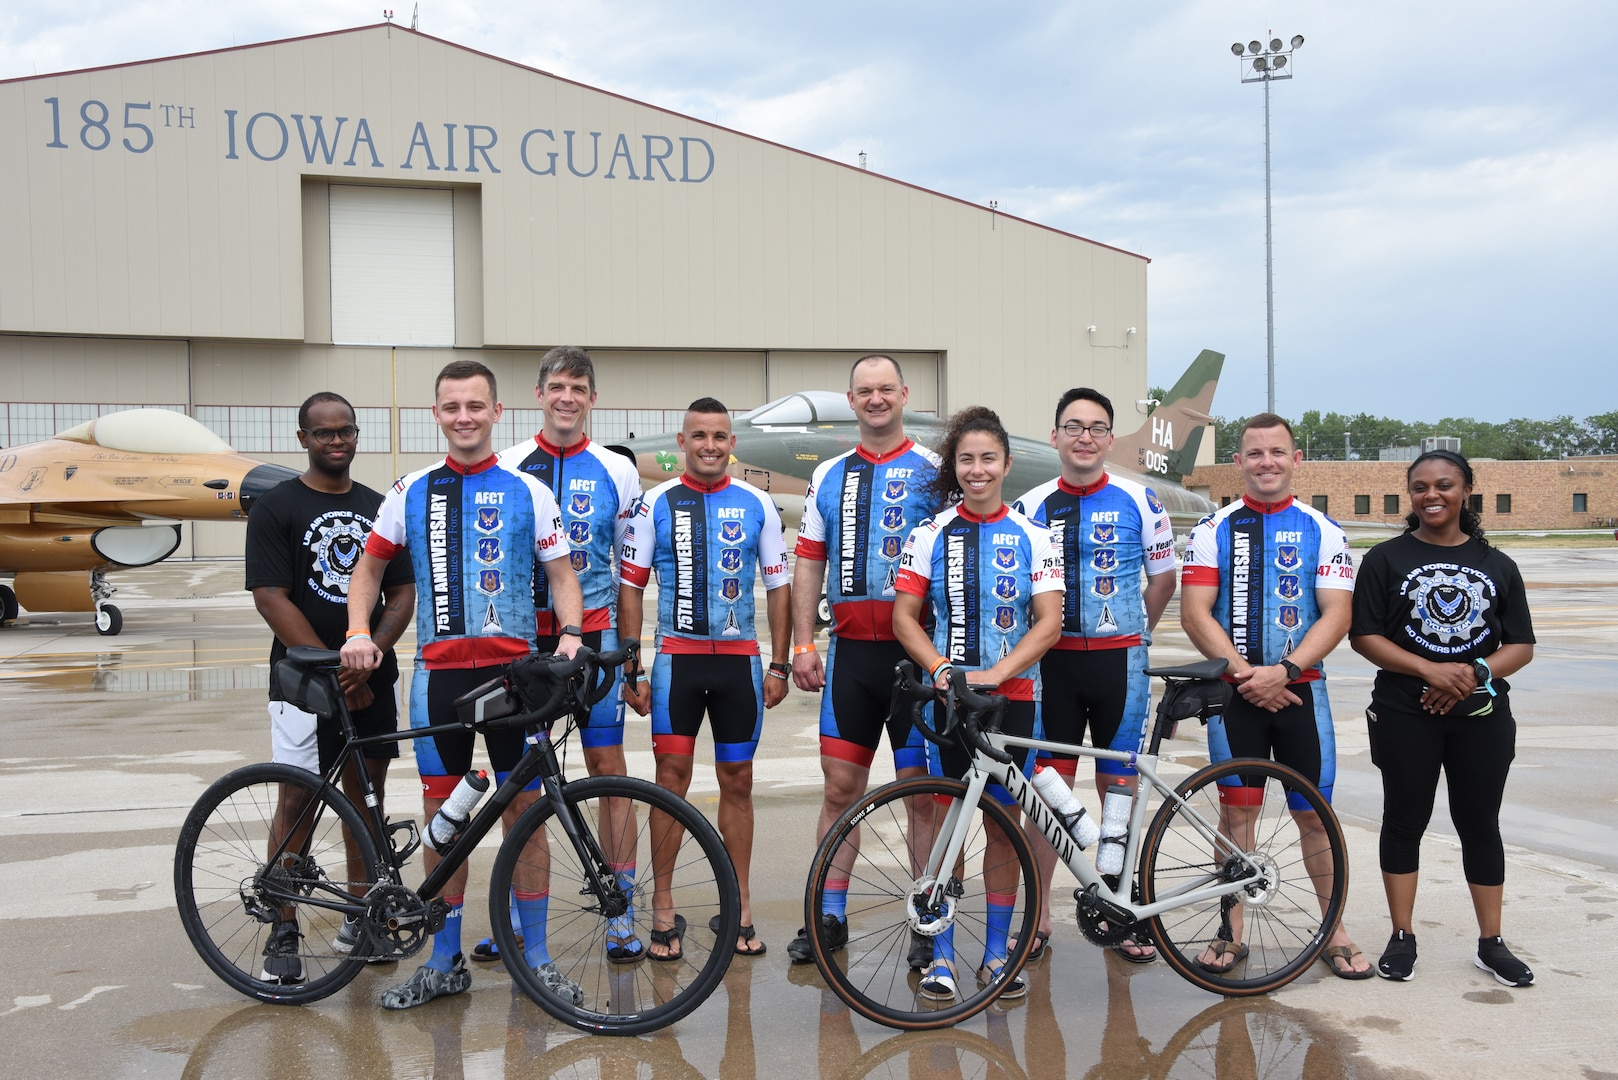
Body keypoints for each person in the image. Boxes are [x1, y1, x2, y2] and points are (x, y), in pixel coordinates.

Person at [341, 359, 587, 1008]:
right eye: (452, 407)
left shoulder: (528, 490)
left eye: (476, 406)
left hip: (514, 679)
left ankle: (533, 958)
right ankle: (445, 959)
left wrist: (570, 634)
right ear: (437, 415)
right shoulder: (409, 490)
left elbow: (563, 574)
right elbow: (367, 571)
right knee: (441, 823)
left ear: (497, 413)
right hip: (439, 678)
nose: (464, 417)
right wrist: (358, 631)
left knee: (526, 817)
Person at [1179, 413, 1372, 978]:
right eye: (1255, 453)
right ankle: (1230, 930)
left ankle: (1333, 929)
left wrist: (1283, 670)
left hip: (1300, 693)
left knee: (1314, 817)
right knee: (1238, 821)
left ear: (1296, 459)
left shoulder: (1324, 529)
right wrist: (1248, 676)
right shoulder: (1213, 527)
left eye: (1276, 452)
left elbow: (1338, 612)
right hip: (1237, 695)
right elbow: (1195, 612)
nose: (1266, 461)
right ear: (1238, 462)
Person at [892, 405, 1064, 1002]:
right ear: (954, 467)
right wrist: (943, 669)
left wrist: (995, 674)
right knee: (948, 826)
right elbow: (904, 619)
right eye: (966, 459)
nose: (977, 469)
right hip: (952, 703)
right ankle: (942, 957)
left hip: (1013, 702)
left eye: (988, 458)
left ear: (1007, 464)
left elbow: (1048, 624)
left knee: (1001, 823)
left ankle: (996, 957)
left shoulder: (1035, 537)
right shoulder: (928, 534)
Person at [244, 392, 415, 982]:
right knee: (297, 800)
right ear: (303, 439)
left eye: (345, 431)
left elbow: (401, 592)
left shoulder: (379, 506)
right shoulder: (277, 508)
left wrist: (368, 660)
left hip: (372, 676)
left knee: (366, 800)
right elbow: (271, 595)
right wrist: (330, 669)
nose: (336, 441)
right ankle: (284, 927)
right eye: (323, 433)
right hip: (303, 681)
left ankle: (362, 917)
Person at [1349, 449, 1536, 986]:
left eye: (1445, 485)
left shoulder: (1497, 564)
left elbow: (1520, 645)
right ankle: (1402, 935)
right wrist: (1430, 670)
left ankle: (1491, 942)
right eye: (1421, 487)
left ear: (1466, 492)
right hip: (1406, 712)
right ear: (1410, 494)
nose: (1432, 495)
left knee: (1480, 824)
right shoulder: (1385, 559)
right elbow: (1365, 636)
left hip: (1481, 715)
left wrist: (1471, 673)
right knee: (1405, 822)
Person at [619, 397, 791, 958]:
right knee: (671, 782)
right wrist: (632, 666)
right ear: (682, 441)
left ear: (732, 444)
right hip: (677, 661)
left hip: (740, 662)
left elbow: (780, 585)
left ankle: (738, 904)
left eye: (720, 436)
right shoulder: (655, 504)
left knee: (737, 781)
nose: (710, 445)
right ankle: (663, 906)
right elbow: (631, 587)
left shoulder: (759, 502)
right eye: (699, 436)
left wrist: (781, 662)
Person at [1012, 387, 1177, 964]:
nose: (1085, 437)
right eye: (1074, 426)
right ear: (1054, 436)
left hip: (1119, 662)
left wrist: (1135, 634)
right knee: (1049, 792)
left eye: (1097, 427)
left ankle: (1121, 908)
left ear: (1110, 439)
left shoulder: (1141, 499)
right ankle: (1038, 918)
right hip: (1052, 664)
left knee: (1118, 792)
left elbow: (1162, 579)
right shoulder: (1029, 505)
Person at [787, 355, 941, 967]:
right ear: (851, 401)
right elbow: (808, 563)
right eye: (864, 391)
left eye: (886, 390)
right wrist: (803, 642)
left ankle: (931, 918)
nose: (876, 399)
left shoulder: (936, 471)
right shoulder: (829, 474)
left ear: (904, 395)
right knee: (840, 789)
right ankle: (829, 912)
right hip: (850, 657)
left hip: (916, 661)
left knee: (922, 795)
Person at [493, 345, 644, 963]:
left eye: (578, 388)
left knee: (609, 774)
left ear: (592, 399)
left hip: (596, 641)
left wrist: (631, 659)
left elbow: (631, 571)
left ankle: (621, 912)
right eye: (556, 386)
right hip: (525, 648)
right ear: (539, 393)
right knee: (522, 787)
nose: (566, 398)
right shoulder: (505, 464)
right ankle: (521, 925)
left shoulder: (617, 469)